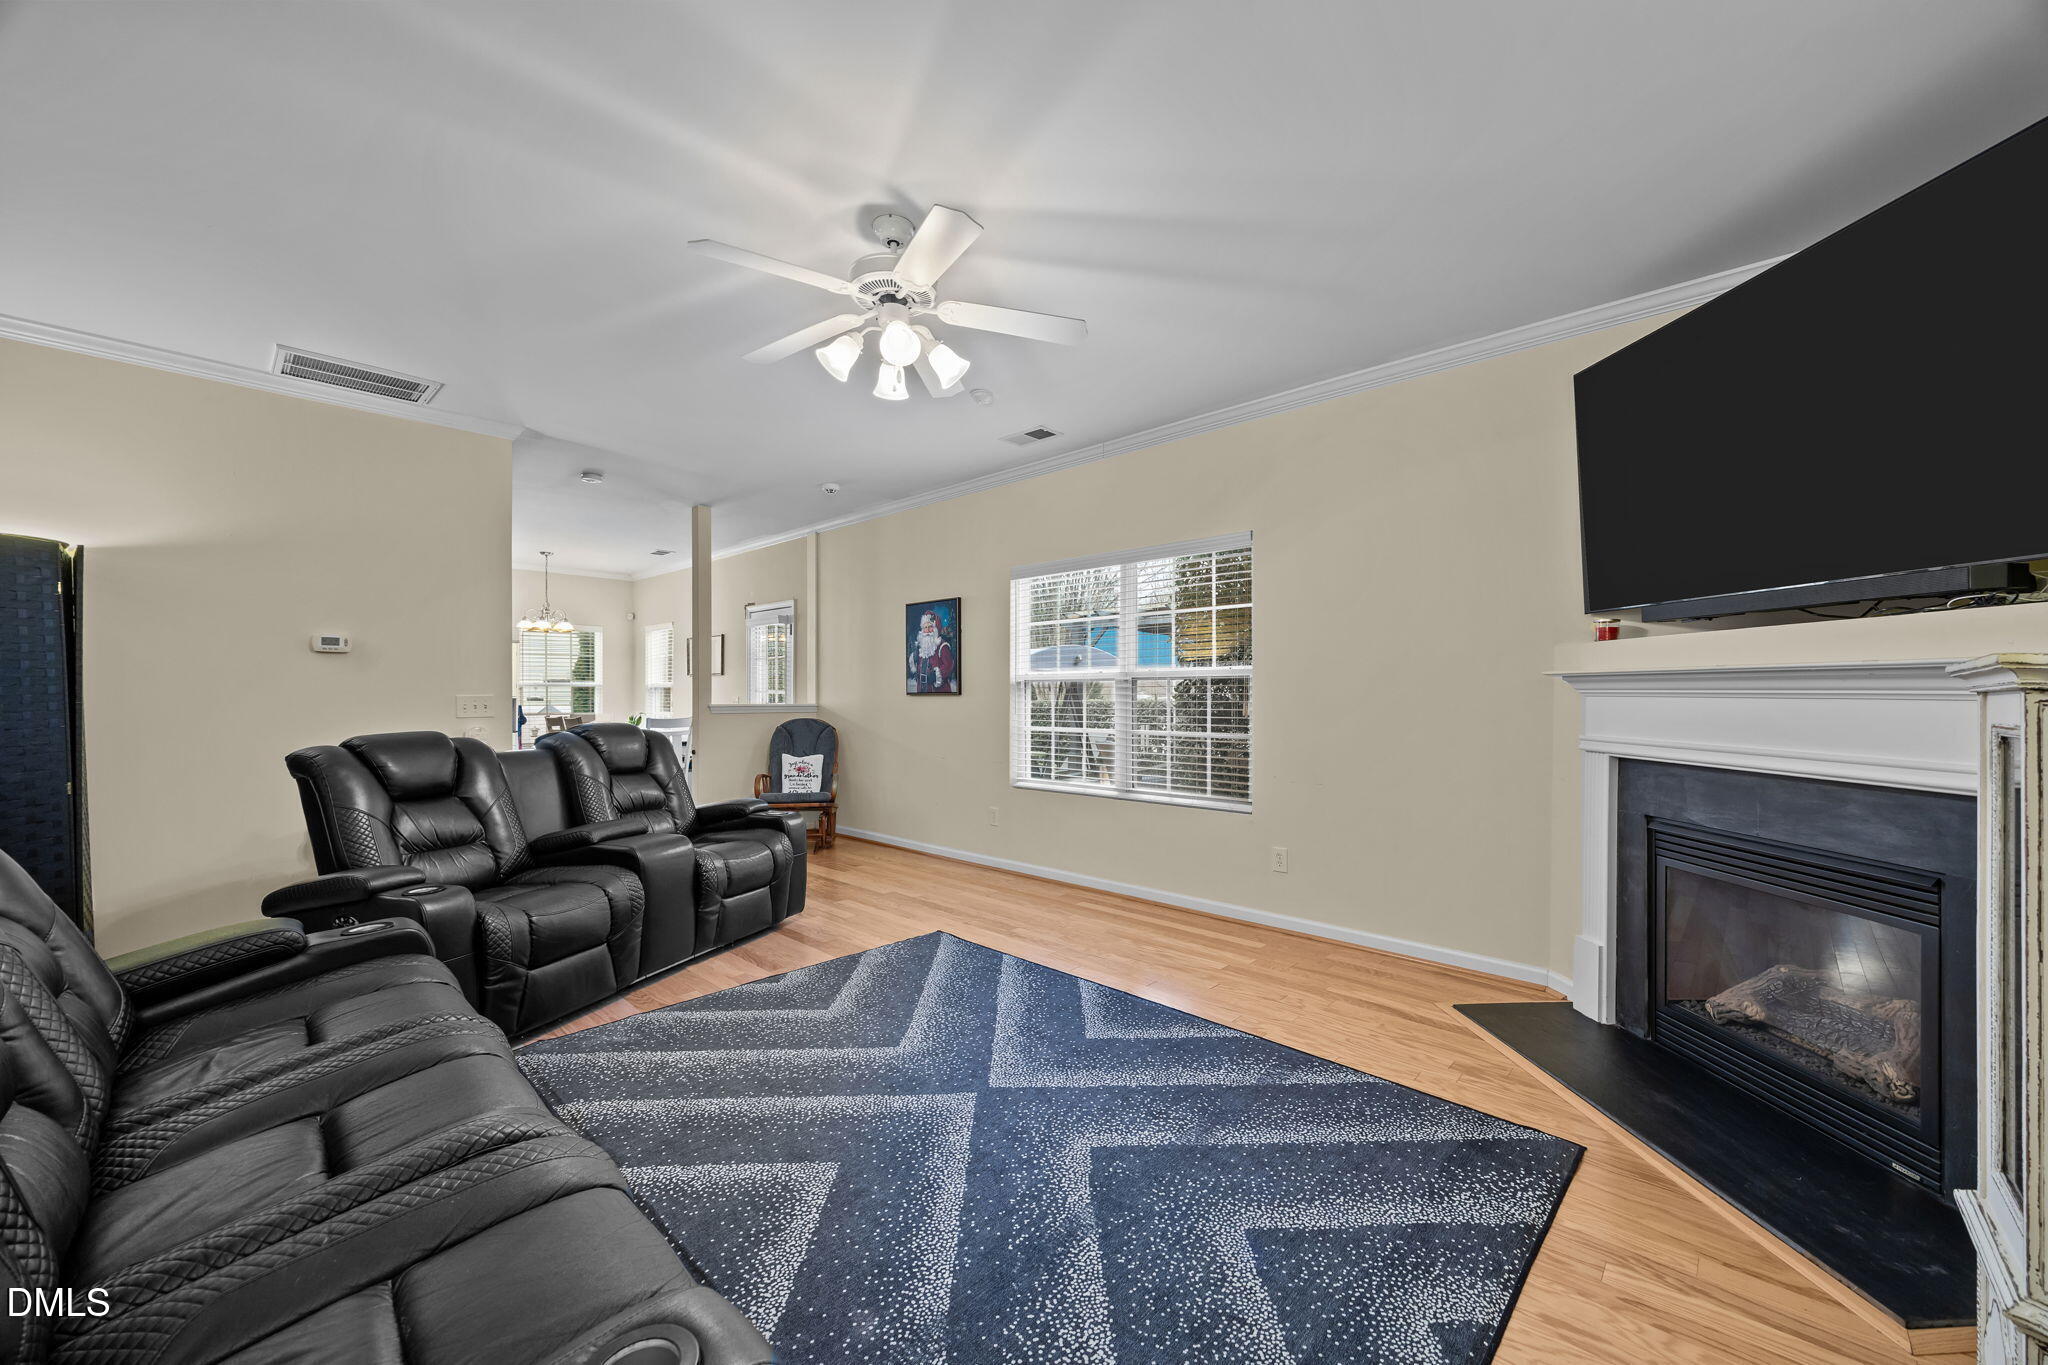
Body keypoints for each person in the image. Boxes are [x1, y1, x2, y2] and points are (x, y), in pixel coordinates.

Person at [909, 609, 958, 693]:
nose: (927, 630)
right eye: (925, 627)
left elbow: (949, 665)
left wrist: (936, 675)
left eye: (930, 627)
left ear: (935, 629)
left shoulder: (942, 646)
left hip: (938, 691)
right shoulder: (921, 647)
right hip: (921, 690)